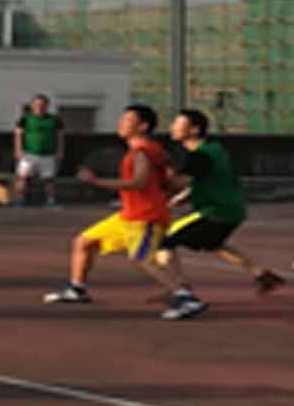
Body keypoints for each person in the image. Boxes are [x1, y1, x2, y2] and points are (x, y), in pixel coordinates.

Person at [45, 104, 206, 320]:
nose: (121, 124)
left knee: (143, 259)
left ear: (143, 126)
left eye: (128, 120)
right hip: (130, 215)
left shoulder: (142, 152)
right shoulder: (153, 150)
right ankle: (77, 288)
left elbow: (139, 182)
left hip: (144, 216)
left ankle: (185, 298)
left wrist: (97, 182)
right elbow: (171, 179)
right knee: (84, 242)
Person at [159, 109, 283, 295]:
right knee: (213, 243)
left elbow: (180, 181)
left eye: (178, 124)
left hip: (215, 211)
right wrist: (182, 196)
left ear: (194, 130)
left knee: (163, 242)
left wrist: (163, 172)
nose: (172, 127)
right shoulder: (215, 150)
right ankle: (262, 274)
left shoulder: (199, 156)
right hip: (233, 209)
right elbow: (207, 179)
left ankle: (180, 290)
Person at [13, 94, 66, 207]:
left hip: (48, 154)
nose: (40, 107)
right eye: (37, 104)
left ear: (47, 106)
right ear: (32, 105)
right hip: (28, 153)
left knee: (49, 179)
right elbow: (18, 135)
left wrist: (60, 151)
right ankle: (20, 199)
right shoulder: (24, 119)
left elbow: (60, 137)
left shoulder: (55, 120)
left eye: (42, 105)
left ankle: (50, 200)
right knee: (22, 177)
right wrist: (18, 150)